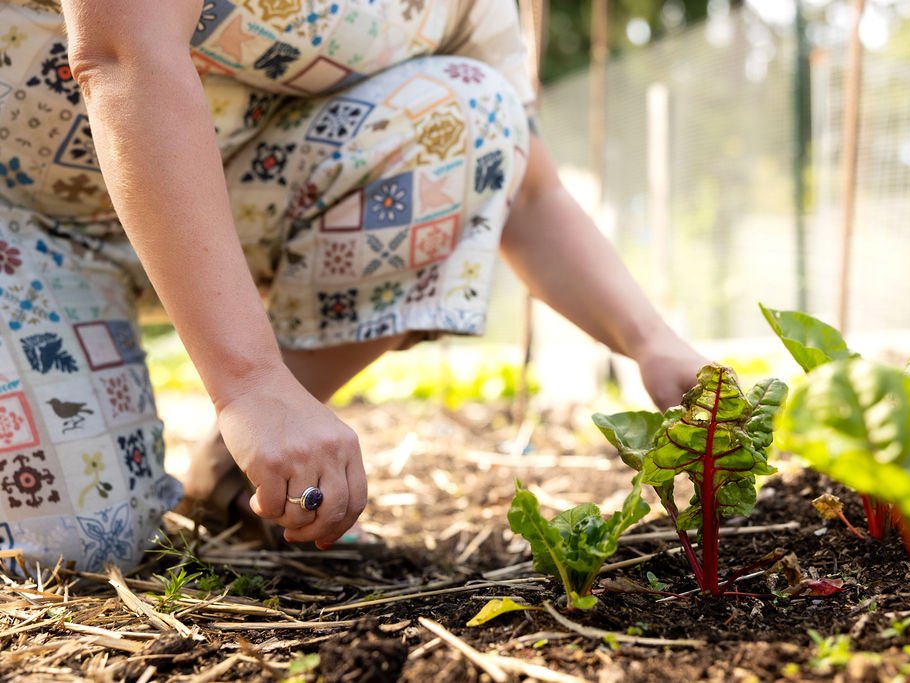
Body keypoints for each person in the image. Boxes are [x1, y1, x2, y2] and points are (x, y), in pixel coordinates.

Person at [0, 0, 707, 571]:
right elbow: (124, 54)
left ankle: (229, 474)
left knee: (471, 112)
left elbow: (528, 192)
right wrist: (249, 382)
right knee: (69, 551)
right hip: (21, 219)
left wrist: (652, 343)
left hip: (226, 207)